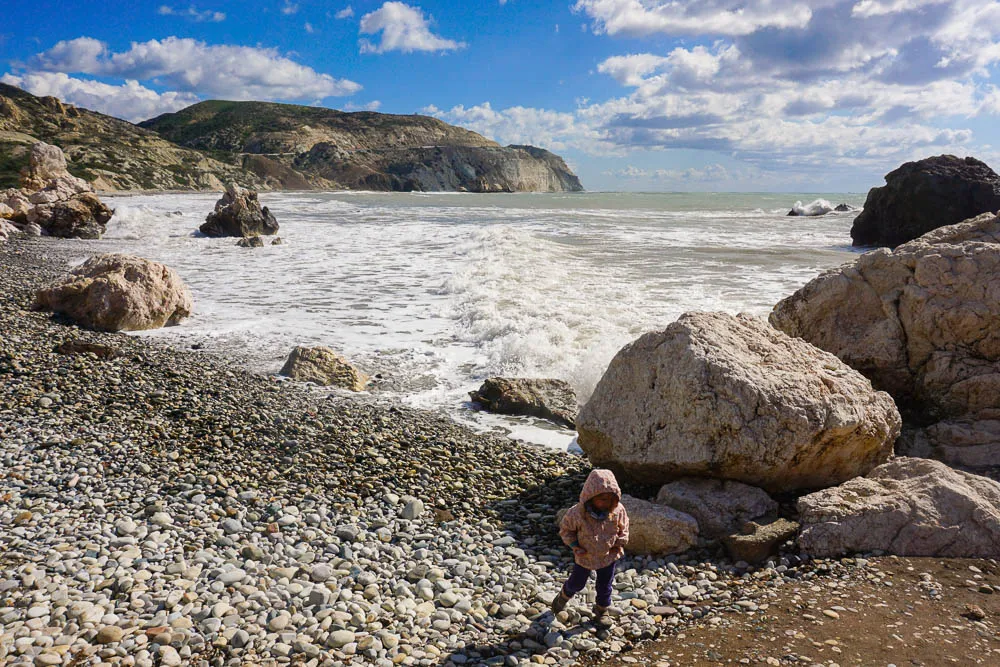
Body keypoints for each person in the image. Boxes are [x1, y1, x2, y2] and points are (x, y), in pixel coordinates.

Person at [552, 469, 629, 620]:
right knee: (577, 583)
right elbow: (566, 530)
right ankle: (564, 595)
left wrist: (620, 542)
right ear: (590, 496)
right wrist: (575, 546)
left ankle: (602, 609)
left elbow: (624, 527)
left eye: (609, 499)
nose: (606, 503)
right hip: (585, 555)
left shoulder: (617, 511)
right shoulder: (577, 513)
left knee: (605, 586)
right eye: (602, 499)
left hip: (608, 555)